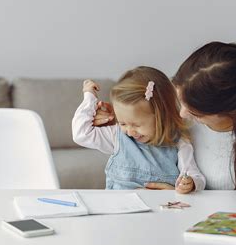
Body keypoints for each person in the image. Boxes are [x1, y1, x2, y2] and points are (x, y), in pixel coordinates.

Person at [73, 42, 236, 245]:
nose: (182, 114)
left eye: (194, 109)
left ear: (227, 109)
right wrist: (115, 119)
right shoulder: (184, 126)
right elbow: (144, 129)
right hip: (187, 235)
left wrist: (182, 199)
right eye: (182, 102)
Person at [72, 66, 205, 192]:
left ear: (161, 116)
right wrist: (89, 97)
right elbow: (81, 134)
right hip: (119, 209)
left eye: (136, 125)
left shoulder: (179, 142)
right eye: (123, 123)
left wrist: (191, 184)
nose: (129, 132)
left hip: (160, 210)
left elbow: (193, 173)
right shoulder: (116, 136)